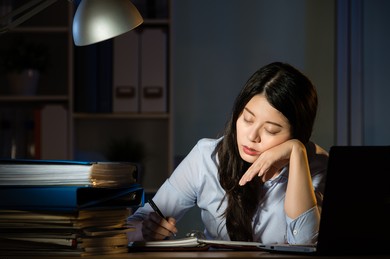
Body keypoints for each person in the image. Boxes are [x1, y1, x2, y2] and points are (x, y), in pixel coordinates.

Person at [127, 62, 328, 245]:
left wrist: (297, 152)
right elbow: (130, 227)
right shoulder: (206, 158)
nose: (252, 136)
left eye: (271, 130)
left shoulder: (318, 166)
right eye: (247, 119)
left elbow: (306, 246)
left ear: (298, 134)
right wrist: (146, 231)